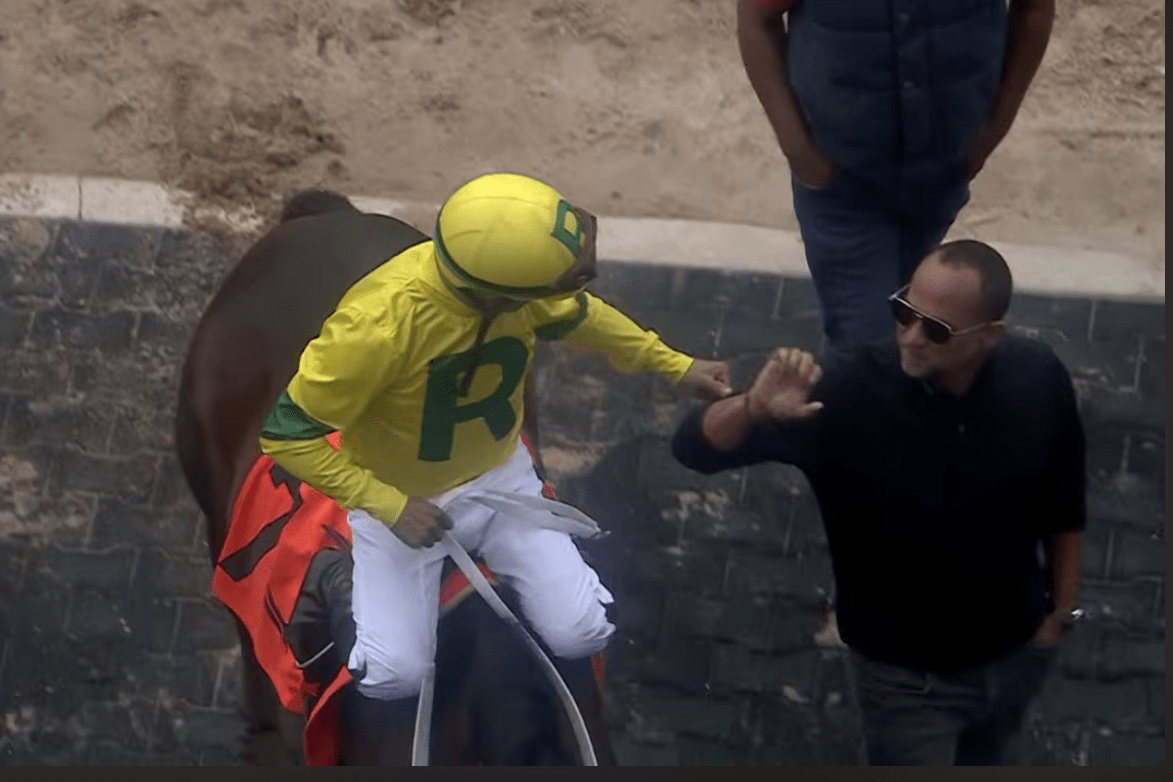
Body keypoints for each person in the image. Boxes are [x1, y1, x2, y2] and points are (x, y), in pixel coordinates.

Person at [259, 172, 733, 763]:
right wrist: (391, 507)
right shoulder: (375, 329)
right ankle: (333, 581)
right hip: (402, 504)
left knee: (583, 630)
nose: (568, 292)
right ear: (497, 294)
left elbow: (586, 319)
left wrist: (676, 366)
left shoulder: (516, 297)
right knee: (394, 675)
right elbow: (286, 436)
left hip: (503, 483)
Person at [669, 239, 1086, 765]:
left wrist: (1059, 617)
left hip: (1016, 656)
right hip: (907, 686)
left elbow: (1064, 498)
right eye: (903, 312)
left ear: (989, 336)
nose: (911, 338)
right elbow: (693, 448)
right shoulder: (851, 395)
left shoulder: (1037, 377)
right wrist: (752, 407)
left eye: (935, 329)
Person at [736, 0, 1056, 358]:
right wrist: (799, 152)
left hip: (939, 176)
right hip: (844, 184)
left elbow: (1035, 11)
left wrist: (992, 131)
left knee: (918, 337)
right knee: (865, 350)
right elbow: (755, 19)